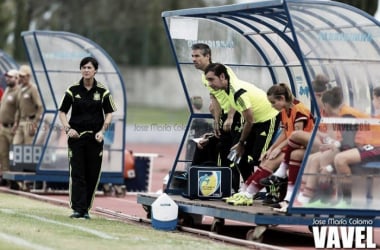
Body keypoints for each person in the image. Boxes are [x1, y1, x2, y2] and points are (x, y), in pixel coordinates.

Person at [204, 63, 282, 205]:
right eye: (207, 80)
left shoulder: (237, 92)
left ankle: (274, 192)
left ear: (222, 77)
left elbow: (249, 121)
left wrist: (241, 143)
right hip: (253, 120)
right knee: (240, 156)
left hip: (267, 118)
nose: (209, 84)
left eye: (211, 80)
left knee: (261, 155)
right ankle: (248, 191)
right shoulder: (226, 89)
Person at [258, 74, 330, 209]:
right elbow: (286, 133)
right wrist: (273, 147)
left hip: (326, 146)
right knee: (294, 155)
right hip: (309, 144)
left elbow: (330, 134)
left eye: (316, 97)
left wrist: (279, 148)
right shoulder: (289, 111)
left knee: (295, 137)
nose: (314, 100)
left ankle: (281, 175)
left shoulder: (307, 109)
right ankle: (288, 198)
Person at [58, 57, 116, 219]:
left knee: (92, 174)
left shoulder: (103, 92)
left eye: (89, 67)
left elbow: (109, 114)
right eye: (83, 67)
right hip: (76, 138)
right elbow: (62, 112)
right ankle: (78, 209)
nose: (86, 70)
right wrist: (68, 129)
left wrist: (102, 131)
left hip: (95, 139)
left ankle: (86, 209)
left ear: (95, 70)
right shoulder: (72, 90)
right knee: (77, 173)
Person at [296, 86, 370, 207]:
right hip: (352, 146)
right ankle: (306, 196)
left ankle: (320, 196)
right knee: (312, 158)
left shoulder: (347, 115)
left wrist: (332, 149)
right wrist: (330, 144)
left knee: (321, 160)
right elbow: (338, 139)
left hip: (363, 147)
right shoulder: (336, 115)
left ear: (326, 104)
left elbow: (349, 143)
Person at [191, 43, 243, 192]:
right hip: (225, 115)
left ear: (208, 56)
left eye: (197, 56)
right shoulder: (204, 77)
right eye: (192, 56)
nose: (194, 59)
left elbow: (236, 93)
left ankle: (233, 187)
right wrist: (217, 120)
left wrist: (231, 117)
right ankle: (210, 184)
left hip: (237, 113)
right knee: (214, 145)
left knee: (230, 150)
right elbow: (215, 99)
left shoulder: (221, 70)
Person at [332, 86, 380, 206]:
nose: (373, 102)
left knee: (340, 159)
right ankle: (346, 199)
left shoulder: (348, 113)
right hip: (373, 147)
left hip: (377, 148)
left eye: (374, 98)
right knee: (337, 155)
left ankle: (347, 201)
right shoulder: (376, 117)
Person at [13, 65, 43, 145]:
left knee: (28, 146)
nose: (21, 78)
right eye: (20, 76)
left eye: (23, 76)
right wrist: (16, 122)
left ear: (28, 76)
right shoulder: (19, 89)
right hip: (21, 121)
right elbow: (18, 107)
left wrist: (35, 122)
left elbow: (40, 106)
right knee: (16, 144)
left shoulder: (32, 88)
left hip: (30, 122)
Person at [0, 69, 20, 185]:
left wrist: (17, 124)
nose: (8, 78)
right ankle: (5, 177)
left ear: (17, 78)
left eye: (10, 77)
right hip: (3, 127)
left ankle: (13, 179)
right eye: (7, 76)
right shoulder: (7, 90)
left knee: (13, 154)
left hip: (12, 127)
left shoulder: (18, 92)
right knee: (3, 153)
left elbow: (19, 109)